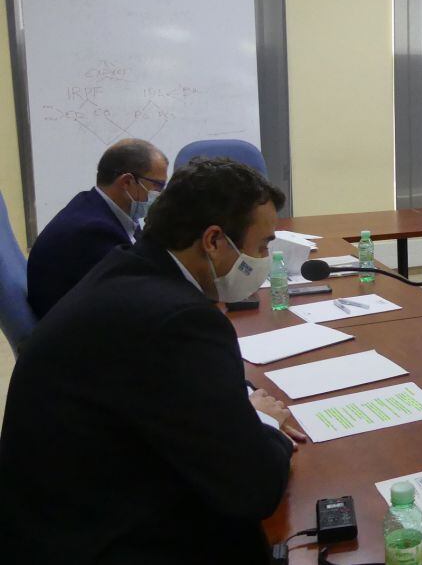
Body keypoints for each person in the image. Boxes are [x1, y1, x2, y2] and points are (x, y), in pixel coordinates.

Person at [0, 158, 305, 564]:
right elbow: (253, 489)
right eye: (263, 245)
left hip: (55, 518)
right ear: (213, 241)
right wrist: (263, 421)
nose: (266, 259)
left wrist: (236, 412)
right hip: (105, 542)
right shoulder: (179, 321)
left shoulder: (127, 268)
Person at [26, 138, 168, 318]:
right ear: (127, 182)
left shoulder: (95, 205)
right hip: (74, 337)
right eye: (158, 186)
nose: (161, 195)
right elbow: (136, 296)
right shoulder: (93, 232)